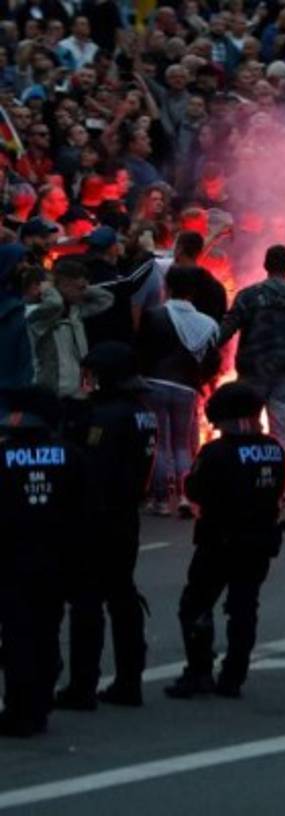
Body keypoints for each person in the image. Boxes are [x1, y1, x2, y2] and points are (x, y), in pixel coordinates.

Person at [164, 382, 285, 700]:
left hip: (218, 541)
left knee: (196, 604)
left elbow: (195, 490)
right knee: (244, 607)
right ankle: (234, 676)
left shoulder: (216, 452)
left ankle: (200, 671)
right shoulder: (274, 449)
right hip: (259, 541)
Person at [54, 343, 157, 710]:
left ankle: (82, 686)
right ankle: (130, 681)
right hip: (126, 516)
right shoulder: (141, 412)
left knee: (87, 602)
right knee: (123, 596)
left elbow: (89, 469)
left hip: (97, 518)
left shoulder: (105, 417)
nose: (90, 382)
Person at [0, 387, 86, 737]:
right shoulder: (71, 455)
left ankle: (20, 710)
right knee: (47, 630)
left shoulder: (4, 456)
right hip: (57, 559)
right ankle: (41, 701)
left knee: (17, 635)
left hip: (12, 560)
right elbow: (86, 510)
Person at [136, 266, 220, 517]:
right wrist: (200, 381)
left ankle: (161, 500)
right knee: (183, 445)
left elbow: (142, 351)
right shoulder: (207, 324)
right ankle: (186, 497)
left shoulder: (154, 316)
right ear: (193, 292)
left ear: (167, 287)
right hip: (187, 387)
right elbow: (212, 360)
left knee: (160, 444)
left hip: (154, 384)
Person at [218, 245, 285, 450]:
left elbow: (226, 331)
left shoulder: (249, 296)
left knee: (245, 427)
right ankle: (277, 468)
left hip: (252, 373)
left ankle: (248, 466)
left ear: (265, 265)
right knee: (280, 432)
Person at [26, 258, 113, 400]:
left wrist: (89, 389)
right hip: (53, 394)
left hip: (81, 392)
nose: (83, 293)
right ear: (64, 285)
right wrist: (50, 289)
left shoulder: (75, 310)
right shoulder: (38, 313)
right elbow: (54, 305)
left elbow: (106, 299)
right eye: (80, 288)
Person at [0, 245, 35, 389]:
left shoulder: (22, 304)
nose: (26, 266)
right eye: (20, 261)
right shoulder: (12, 308)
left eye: (27, 261)